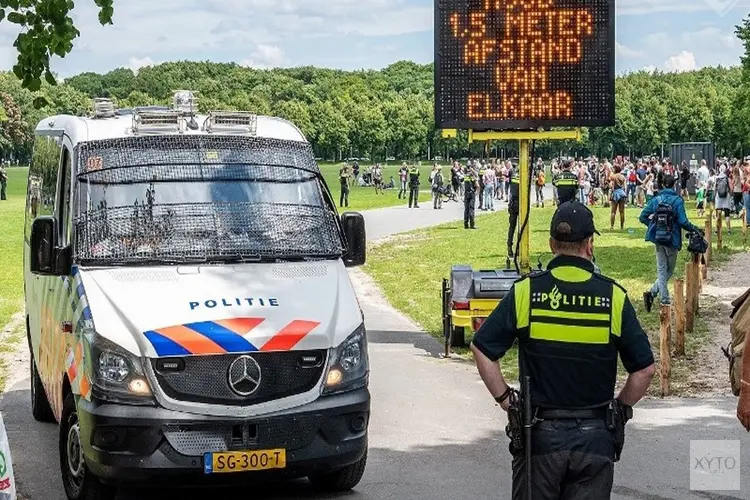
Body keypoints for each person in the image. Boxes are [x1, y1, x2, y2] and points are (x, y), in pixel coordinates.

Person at [471, 200, 655, 500]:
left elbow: (482, 349)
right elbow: (645, 369)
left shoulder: (526, 292)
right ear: (590, 245)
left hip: (539, 437)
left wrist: (506, 400)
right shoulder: (613, 298)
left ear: (552, 244)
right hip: (595, 440)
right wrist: (619, 409)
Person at [640, 174, 701, 311]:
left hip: (658, 239)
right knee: (669, 270)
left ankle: (653, 293)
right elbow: (683, 221)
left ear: (663, 184)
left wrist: (653, 226)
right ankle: (664, 298)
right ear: (674, 185)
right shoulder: (677, 201)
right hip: (672, 239)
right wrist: (694, 229)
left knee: (662, 269)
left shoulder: (656, 200)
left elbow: (642, 216)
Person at [715, 165, 733, 235]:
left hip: (718, 197)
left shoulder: (717, 178)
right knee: (727, 214)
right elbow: (731, 188)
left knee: (718, 215)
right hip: (726, 197)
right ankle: (728, 230)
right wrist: (730, 194)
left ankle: (717, 230)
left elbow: (715, 188)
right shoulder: (727, 178)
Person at [507, 165, 520, 255]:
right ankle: (519, 248)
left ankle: (509, 246)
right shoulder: (523, 176)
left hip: (512, 203)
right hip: (520, 203)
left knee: (512, 226)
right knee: (521, 227)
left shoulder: (513, 175)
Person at [610, 165, 627, 231]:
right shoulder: (623, 176)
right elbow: (625, 187)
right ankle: (622, 227)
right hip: (622, 193)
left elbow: (611, 186)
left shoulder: (613, 176)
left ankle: (612, 227)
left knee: (613, 212)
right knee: (622, 211)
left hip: (615, 194)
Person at [463, 165, 478, 229]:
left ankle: (466, 224)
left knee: (466, 209)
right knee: (471, 209)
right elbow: (476, 181)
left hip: (466, 193)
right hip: (471, 194)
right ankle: (472, 224)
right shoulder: (471, 176)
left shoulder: (465, 176)